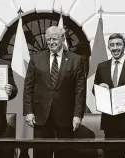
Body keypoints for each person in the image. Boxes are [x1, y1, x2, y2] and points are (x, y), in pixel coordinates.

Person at [23, 26, 86, 158]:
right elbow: (28, 87)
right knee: (41, 154)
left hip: (66, 117)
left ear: (63, 38)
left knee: (66, 154)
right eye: (48, 39)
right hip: (41, 117)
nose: (51, 42)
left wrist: (77, 115)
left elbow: (80, 90)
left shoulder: (76, 60)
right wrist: (28, 112)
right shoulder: (36, 58)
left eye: (54, 39)